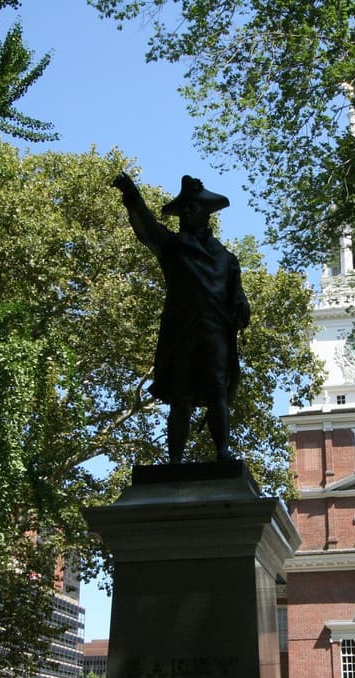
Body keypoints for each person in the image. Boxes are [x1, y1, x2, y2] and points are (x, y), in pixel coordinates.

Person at [112, 171, 250, 463]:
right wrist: (132, 197)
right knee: (180, 395)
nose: (187, 211)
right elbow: (147, 229)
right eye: (184, 207)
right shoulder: (172, 246)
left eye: (193, 206)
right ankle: (175, 458)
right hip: (181, 330)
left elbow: (237, 294)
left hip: (215, 330)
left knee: (217, 390)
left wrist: (241, 305)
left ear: (206, 213)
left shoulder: (227, 258)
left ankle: (222, 452)